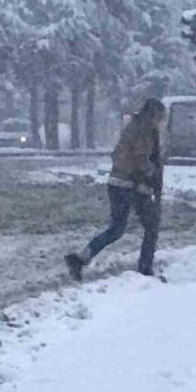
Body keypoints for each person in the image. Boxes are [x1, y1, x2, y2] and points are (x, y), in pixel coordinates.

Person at [65, 98, 167, 281]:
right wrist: (152, 174)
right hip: (132, 185)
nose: (161, 123)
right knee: (151, 226)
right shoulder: (145, 130)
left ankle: (81, 258)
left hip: (118, 183)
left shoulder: (134, 126)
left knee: (116, 229)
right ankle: (145, 268)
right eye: (160, 118)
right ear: (154, 115)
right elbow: (141, 159)